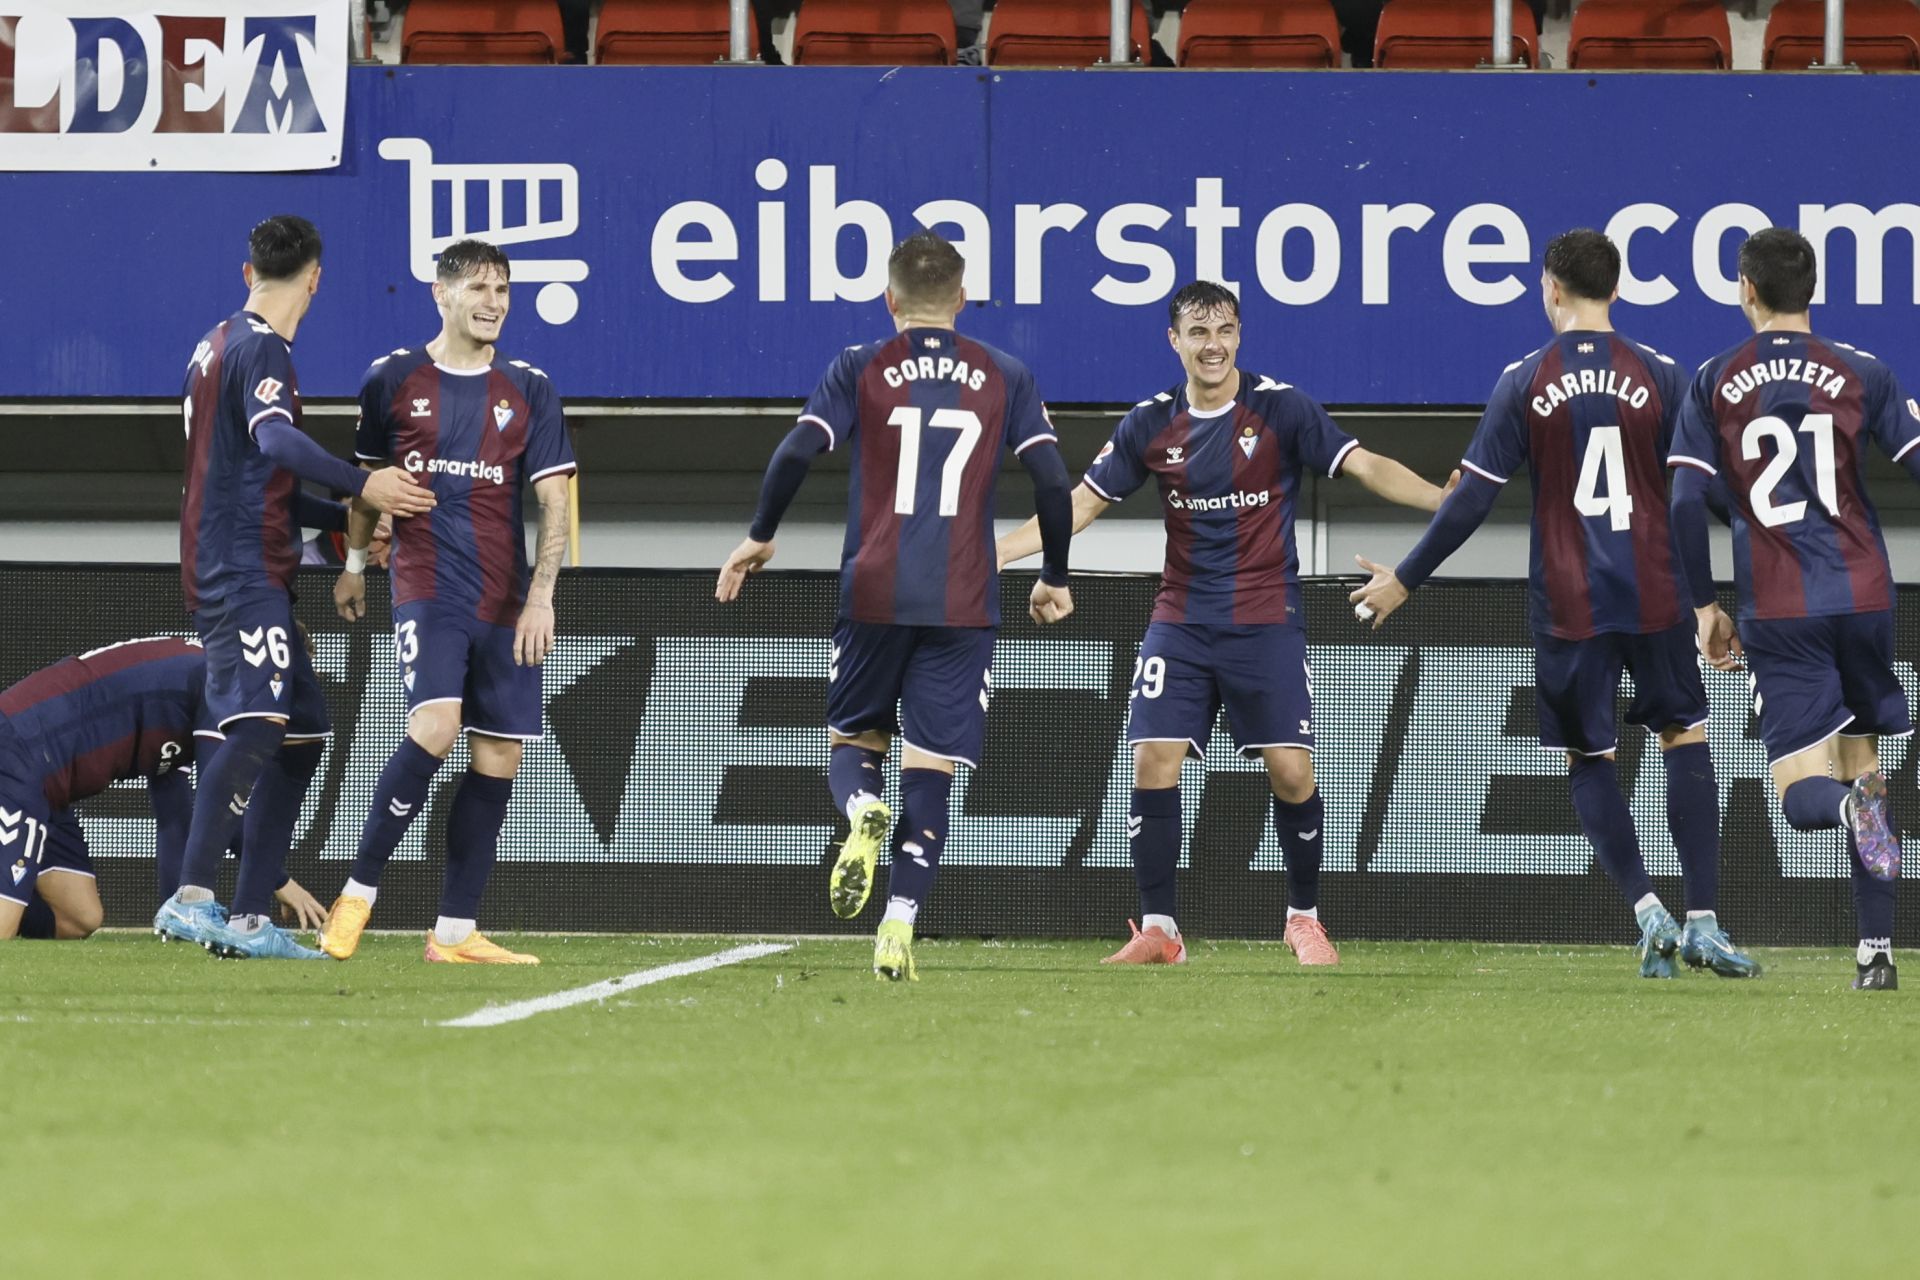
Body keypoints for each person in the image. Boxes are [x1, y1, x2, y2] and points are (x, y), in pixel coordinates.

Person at [999, 281, 1447, 968]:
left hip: (1266, 618)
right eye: (1199, 333)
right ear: (1173, 341)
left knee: (1292, 772)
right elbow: (1078, 505)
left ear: (1240, 335)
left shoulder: (1280, 408)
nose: (1214, 345)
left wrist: (1443, 502)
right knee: (1153, 760)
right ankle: (1159, 930)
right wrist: (983, 555)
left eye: (1226, 331)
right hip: (1181, 618)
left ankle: (1303, 918)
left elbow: (1363, 464)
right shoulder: (1149, 423)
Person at [1349, 229, 1758, 979]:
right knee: (1684, 737)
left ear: (1551, 288)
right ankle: (1703, 918)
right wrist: (1751, 580)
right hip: (1658, 591)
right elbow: (1713, 492)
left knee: (1589, 756)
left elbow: (1469, 498)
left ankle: (1646, 909)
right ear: (1619, 289)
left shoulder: (1525, 379)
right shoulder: (1662, 376)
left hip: (1570, 600)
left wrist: (1405, 579)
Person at [717, 229, 1074, 982]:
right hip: (964, 596)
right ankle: (901, 919)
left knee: (854, 740)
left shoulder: (861, 365)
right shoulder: (1005, 372)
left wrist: (759, 535)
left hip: (874, 589)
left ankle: (859, 813)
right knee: (933, 766)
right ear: (963, 300)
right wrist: (1055, 574)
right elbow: (1049, 479)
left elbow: (795, 451)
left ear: (890, 301)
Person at [155, 215, 434, 960]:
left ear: (250, 273)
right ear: (316, 278)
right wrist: (362, 481)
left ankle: (249, 920)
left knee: (303, 729)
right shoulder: (264, 349)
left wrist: (351, 519)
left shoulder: (214, 344)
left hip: (243, 559)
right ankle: (191, 899)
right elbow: (276, 442)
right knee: (254, 728)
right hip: (239, 570)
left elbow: (255, 478)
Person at [1669, 227, 1920, 993]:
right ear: (1813, 289)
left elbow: (1683, 497)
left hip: (1782, 606)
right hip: (1865, 593)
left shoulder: (1716, 378)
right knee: (1867, 769)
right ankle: (1875, 954)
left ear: (1745, 287)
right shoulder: (1864, 372)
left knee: (1804, 794)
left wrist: (1706, 605)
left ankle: (1847, 812)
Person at [323, 238, 577, 966]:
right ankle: (358, 896)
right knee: (436, 726)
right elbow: (367, 486)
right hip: (428, 584)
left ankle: (455, 934)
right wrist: (353, 564)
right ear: (442, 293)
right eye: (479, 288)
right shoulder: (393, 378)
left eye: (503, 288)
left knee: (499, 754)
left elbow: (554, 502)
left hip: (506, 599)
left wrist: (543, 597)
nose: (494, 302)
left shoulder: (530, 387)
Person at [0, 636, 325, 942]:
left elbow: (176, 816)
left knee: (79, 917)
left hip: (47, 787)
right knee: (3, 925)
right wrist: (279, 881)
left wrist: (180, 918)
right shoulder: (224, 682)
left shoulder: (195, 689)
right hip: (19, 752)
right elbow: (222, 805)